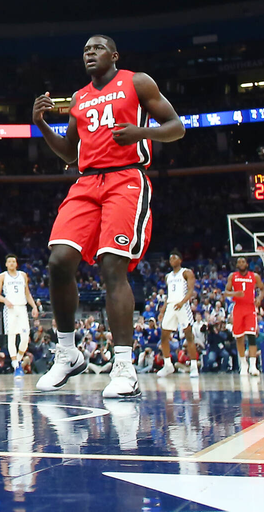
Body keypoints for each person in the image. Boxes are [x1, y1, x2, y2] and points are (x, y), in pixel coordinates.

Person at [32, 35, 185, 398]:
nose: (89, 53)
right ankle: (68, 353)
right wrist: (41, 125)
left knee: (112, 265)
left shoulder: (137, 81)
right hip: (86, 181)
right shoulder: (80, 98)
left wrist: (140, 132)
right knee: (58, 261)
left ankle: (124, 368)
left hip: (126, 178)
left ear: (114, 55)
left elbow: (177, 127)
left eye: (97, 48)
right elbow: (70, 154)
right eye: (84, 49)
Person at [0, 254, 39, 378]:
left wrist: (34, 306)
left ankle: (18, 359)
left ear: (16, 263)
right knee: (12, 337)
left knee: (25, 338)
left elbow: (27, 293)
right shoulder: (2, 276)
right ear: (6, 264)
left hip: (22, 307)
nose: (12, 263)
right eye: (10, 261)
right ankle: (16, 365)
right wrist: (4, 300)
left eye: (14, 261)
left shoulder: (23, 275)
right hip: (10, 309)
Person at [157, 250, 200, 378]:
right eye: (170, 259)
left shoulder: (186, 272)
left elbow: (191, 290)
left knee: (189, 337)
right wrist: (163, 310)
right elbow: (169, 294)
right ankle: (168, 365)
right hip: (171, 305)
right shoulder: (168, 276)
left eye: (174, 258)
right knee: (164, 337)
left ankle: (193, 366)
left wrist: (182, 302)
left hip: (182, 305)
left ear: (180, 260)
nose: (171, 260)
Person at [223, 257, 263, 376]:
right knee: (239, 337)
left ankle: (253, 366)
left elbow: (263, 289)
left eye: (243, 262)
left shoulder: (254, 276)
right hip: (238, 308)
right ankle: (243, 365)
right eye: (238, 262)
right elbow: (226, 292)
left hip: (250, 308)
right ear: (236, 265)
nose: (241, 263)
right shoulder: (232, 276)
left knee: (251, 337)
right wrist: (235, 293)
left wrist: (259, 298)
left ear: (247, 264)